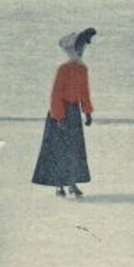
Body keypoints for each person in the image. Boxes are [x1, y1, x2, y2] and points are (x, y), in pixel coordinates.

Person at [32, 28, 96, 198]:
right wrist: (59, 117)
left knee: (74, 150)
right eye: (78, 49)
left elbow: (84, 92)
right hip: (59, 114)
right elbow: (56, 95)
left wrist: (87, 112)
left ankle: (73, 183)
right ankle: (59, 185)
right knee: (60, 150)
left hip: (74, 114)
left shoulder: (82, 69)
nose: (81, 52)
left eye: (82, 49)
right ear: (71, 51)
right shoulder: (63, 69)